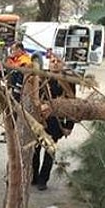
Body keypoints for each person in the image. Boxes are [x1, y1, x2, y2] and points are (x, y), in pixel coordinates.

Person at [32, 58, 75, 191]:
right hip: (40, 121)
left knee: (49, 152)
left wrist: (69, 125)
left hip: (56, 122)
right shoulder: (41, 79)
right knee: (35, 150)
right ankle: (33, 176)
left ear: (62, 64)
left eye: (58, 61)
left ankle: (43, 180)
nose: (55, 64)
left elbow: (72, 105)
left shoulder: (67, 82)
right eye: (52, 61)